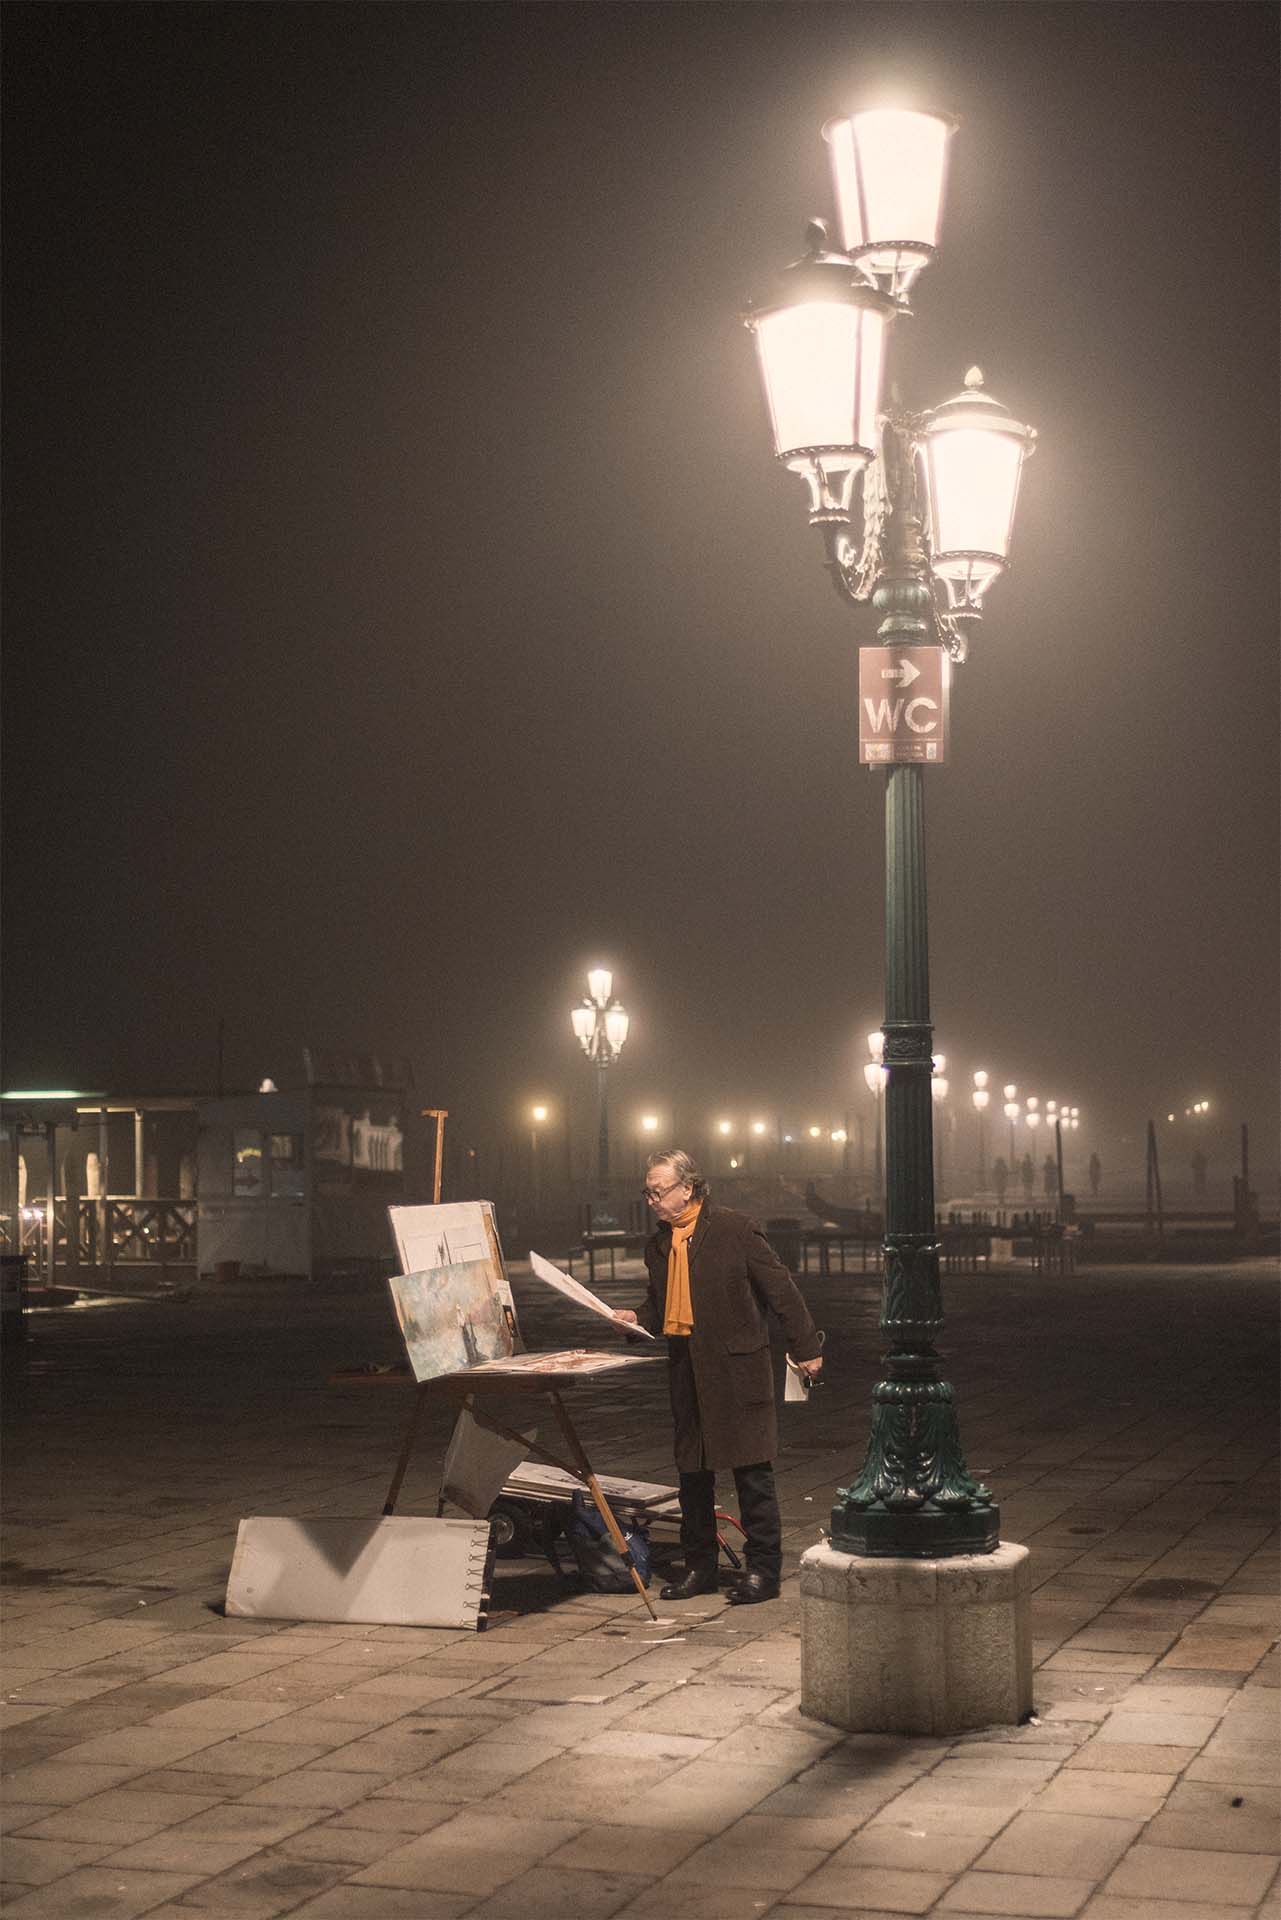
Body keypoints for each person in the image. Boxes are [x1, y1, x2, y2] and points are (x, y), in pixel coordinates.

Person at [613, 1148, 823, 1605]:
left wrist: (806, 1347)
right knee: (693, 1475)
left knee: (752, 1472)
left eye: (658, 1191)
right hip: (687, 1370)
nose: (651, 1200)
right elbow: (660, 1305)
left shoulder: (733, 1230)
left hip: (736, 1368)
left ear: (687, 1189)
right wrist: (635, 1318)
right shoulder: (659, 1246)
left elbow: (781, 1289)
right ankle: (700, 1567)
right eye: (647, 1192)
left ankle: (763, 1571)